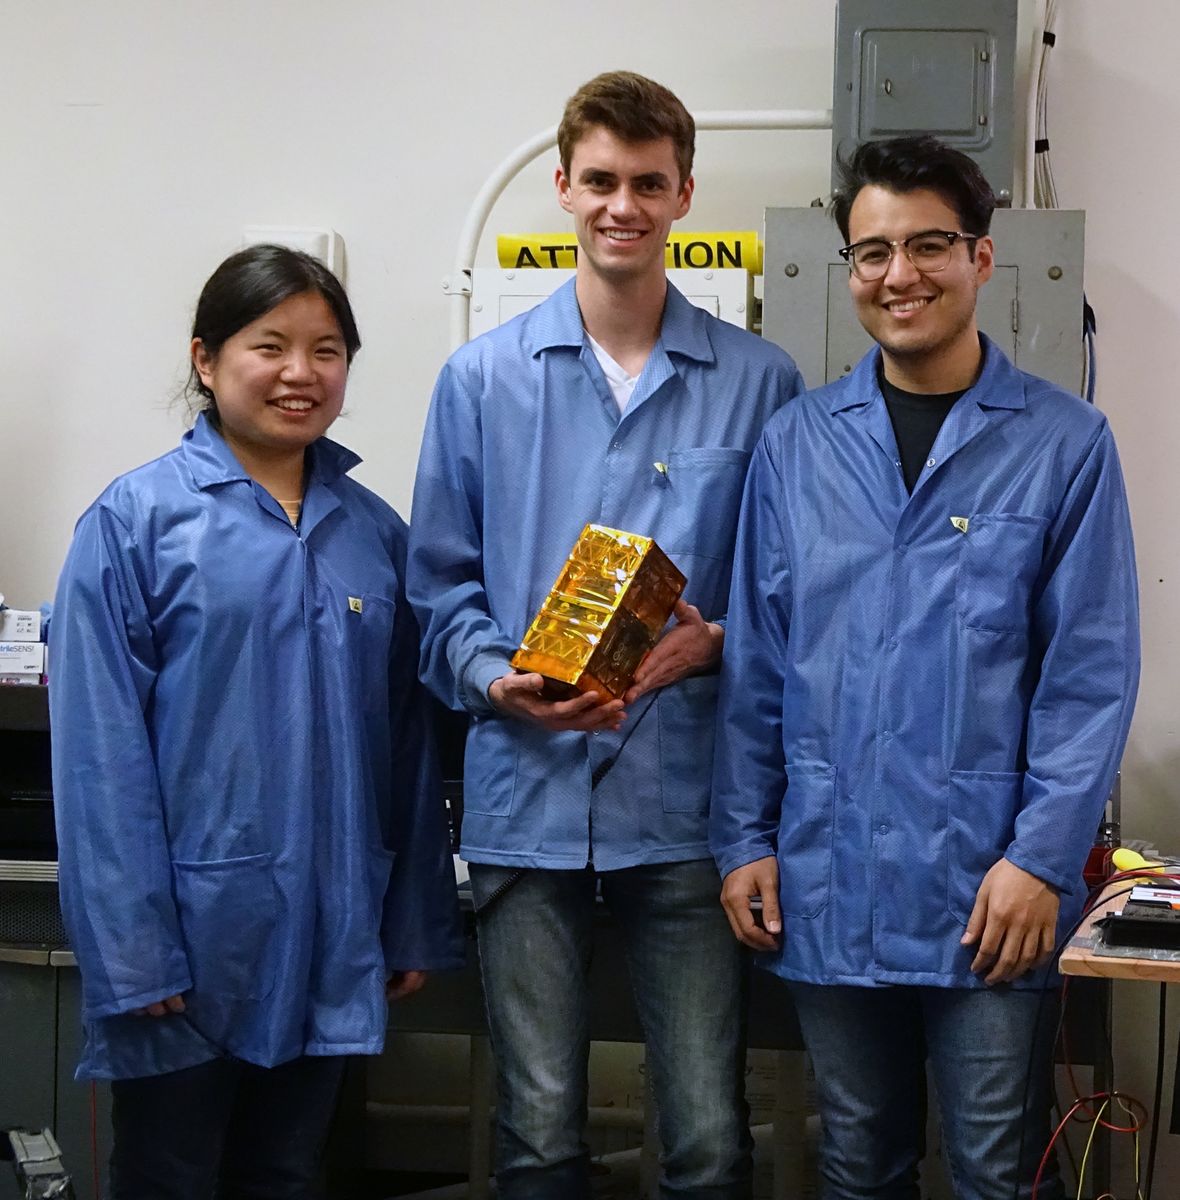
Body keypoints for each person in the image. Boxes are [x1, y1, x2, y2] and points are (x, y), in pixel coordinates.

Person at [710, 135, 1140, 1200]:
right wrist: (743, 839)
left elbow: (1086, 674)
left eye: (928, 245)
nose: (899, 274)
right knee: (858, 1164)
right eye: (872, 252)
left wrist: (1039, 860)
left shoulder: (1063, 444)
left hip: (986, 886)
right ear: (848, 270)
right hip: (830, 871)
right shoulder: (797, 445)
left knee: (995, 1169)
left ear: (981, 259)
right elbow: (759, 663)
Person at [408, 71, 803, 1200]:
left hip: (687, 809)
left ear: (684, 191)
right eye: (599, 181)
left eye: (645, 182)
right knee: (536, 1134)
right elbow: (436, 591)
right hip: (525, 801)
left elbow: (787, 601)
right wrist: (495, 681)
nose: (620, 204)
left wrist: (715, 643)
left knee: (708, 1138)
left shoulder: (760, 385)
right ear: (562, 187)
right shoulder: (479, 381)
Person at [50, 244, 463, 1200]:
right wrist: (132, 949)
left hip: (329, 930)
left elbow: (406, 752)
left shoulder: (372, 534)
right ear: (206, 359)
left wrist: (407, 924)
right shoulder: (135, 525)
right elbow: (97, 759)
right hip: (190, 943)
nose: (300, 373)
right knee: (170, 1174)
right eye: (268, 345)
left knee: (287, 1172)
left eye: (326, 350)